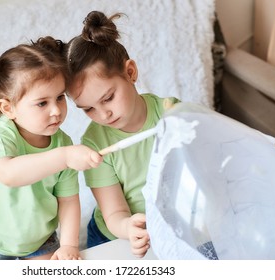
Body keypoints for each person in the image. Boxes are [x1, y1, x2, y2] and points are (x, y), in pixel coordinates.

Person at [0, 37, 102, 260]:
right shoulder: (0, 136)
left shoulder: (63, 144)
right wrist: (64, 157)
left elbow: (69, 200)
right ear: (8, 108)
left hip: (39, 239)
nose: (56, 110)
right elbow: (10, 174)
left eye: (60, 97)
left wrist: (69, 245)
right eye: (42, 103)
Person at [64, 11, 181, 258]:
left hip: (171, 226)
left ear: (130, 72)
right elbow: (114, 213)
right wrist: (128, 227)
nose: (103, 114)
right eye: (88, 109)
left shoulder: (172, 112)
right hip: (116, 234)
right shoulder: (95, 144)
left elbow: (210, 153)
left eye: (107, 98)